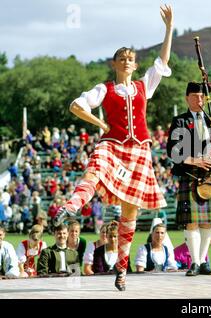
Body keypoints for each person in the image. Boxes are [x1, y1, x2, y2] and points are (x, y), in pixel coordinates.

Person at [54, 4, 173, 291]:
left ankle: (122, 268)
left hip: (140, 151)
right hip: (112, 145)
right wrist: (101, 123)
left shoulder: (145, 85)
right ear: (114, 63)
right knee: (95, 166)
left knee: (129, 214)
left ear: (134, 63)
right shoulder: (104, 88)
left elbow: (162, 61)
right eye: (122, 58)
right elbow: (76, 106)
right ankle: (70, 207)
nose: (127, 61)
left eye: (131, 58)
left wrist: (169, 28)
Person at [167, 82, 211, 277]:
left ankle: (203, 261)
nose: (199, 99)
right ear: (187, 98)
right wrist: (195, 159)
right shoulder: (180, 121)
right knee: (192, 222)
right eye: (195, 96)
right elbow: (172, 151)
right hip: (190, 175)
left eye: (202, 96)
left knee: (207, 222)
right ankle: (193, 262)